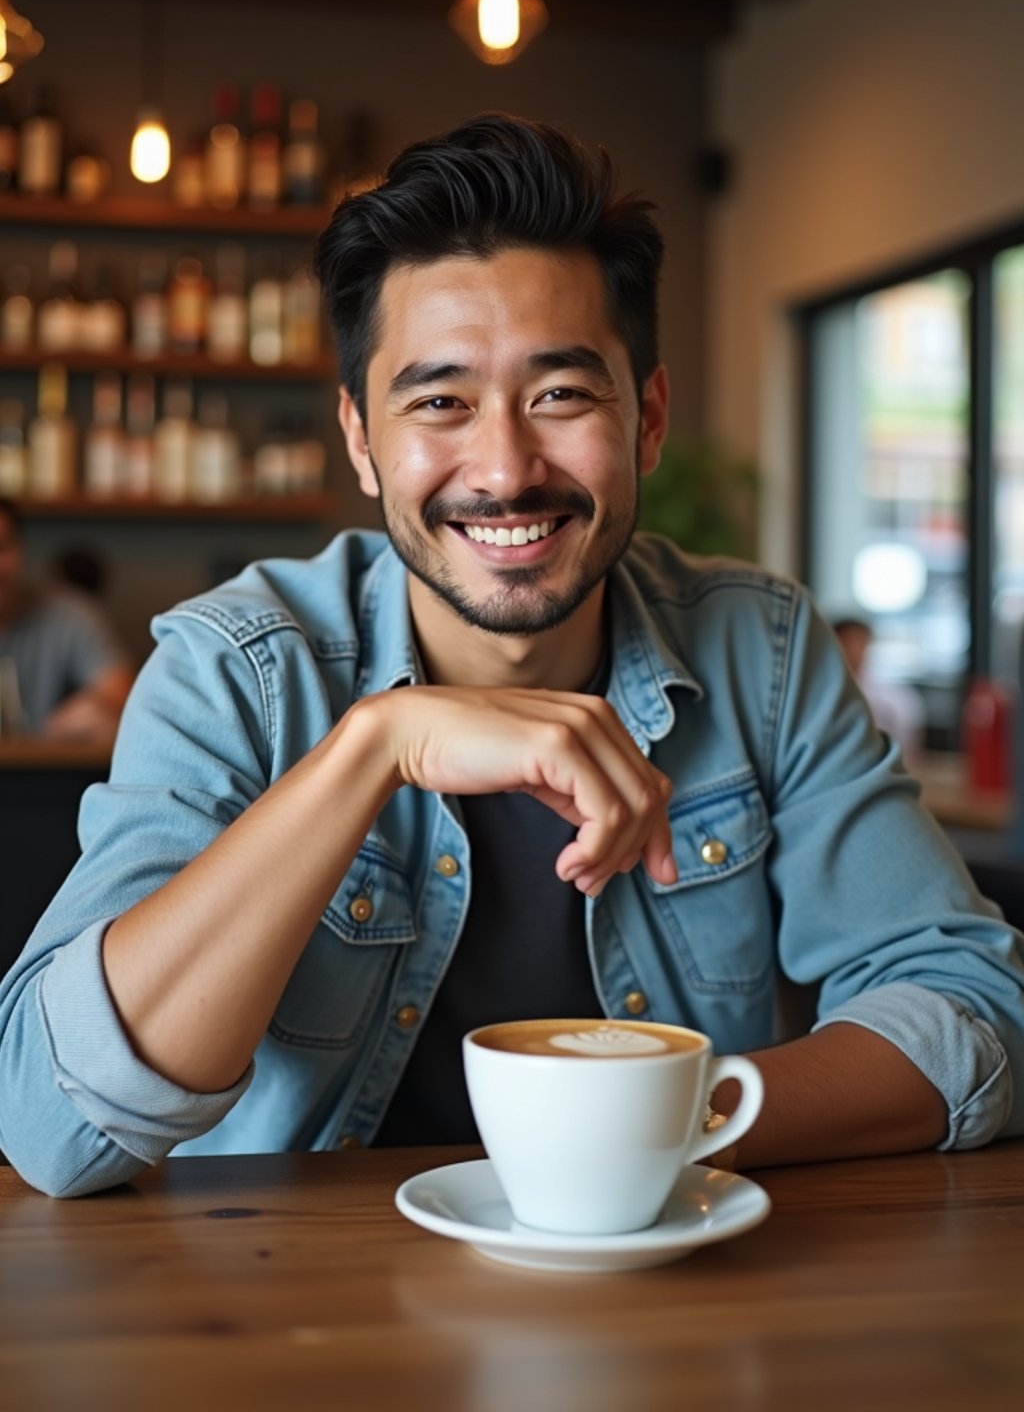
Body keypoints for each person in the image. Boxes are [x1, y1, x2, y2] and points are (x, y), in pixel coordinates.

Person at [0, 114, 1021, 1199]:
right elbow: (50, 1122)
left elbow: (970, 1005)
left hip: (660, 1297)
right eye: (439, 402)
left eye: (561, 395)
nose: (503, 467)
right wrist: (375, 747)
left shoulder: (758, 649)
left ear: (649, 419)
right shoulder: (236, 669)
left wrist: (654, 1127)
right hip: (284, 1316)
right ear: (360, 439)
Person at [0, 497, 133, 743]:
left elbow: (120, 691)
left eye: (2, 548)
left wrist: (91, 711)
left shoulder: (70, 614)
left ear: (21, 550)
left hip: (46, 776)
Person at [832, 615, 926, 760]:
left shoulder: (894, 696)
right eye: (847, 642)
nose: (854, 649)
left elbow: (909, 746)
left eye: (860, 642)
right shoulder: (821, 694)